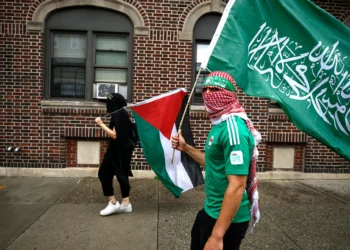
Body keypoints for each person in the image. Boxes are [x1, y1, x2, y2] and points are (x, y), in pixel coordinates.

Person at [171, 71, 261, 250]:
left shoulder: (233, 129)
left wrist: (217, 236)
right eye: (205, 89)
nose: (209, 94)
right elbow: (214, 163)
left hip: (227, 221)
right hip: (211, 210)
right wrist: (186, 148)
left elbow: (237, 185)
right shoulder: (220, 123)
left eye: (215, 89)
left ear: (230, 94)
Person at [95, 93, 134, 216]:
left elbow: (114, 135)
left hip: (115, 151)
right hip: (123, 151)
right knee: (122, 174)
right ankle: (126, 204)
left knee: (103, 173)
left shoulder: (117, 114)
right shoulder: (122, 113)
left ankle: (113, 203)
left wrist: (101, 124)